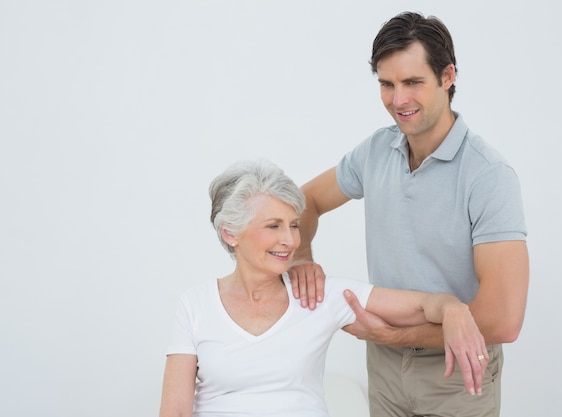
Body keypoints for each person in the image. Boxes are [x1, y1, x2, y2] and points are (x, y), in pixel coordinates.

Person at [288, 11, 529, 417]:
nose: (398, 100)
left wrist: (394, 335)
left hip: (457, 372)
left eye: (413, 82)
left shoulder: (488, 176)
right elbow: (304, 201)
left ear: (447, 76)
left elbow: (504, 320)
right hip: (383, 368)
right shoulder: (376, 151)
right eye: (387, 84)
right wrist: (300, 259)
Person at [158, 159, 489, 417]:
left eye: (293, 225)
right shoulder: (196, 305)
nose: (290, 240)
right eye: (273, 226)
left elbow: (420, 306)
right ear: (230, 233)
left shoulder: (318, 295)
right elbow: (174, 411)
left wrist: (451, 308)